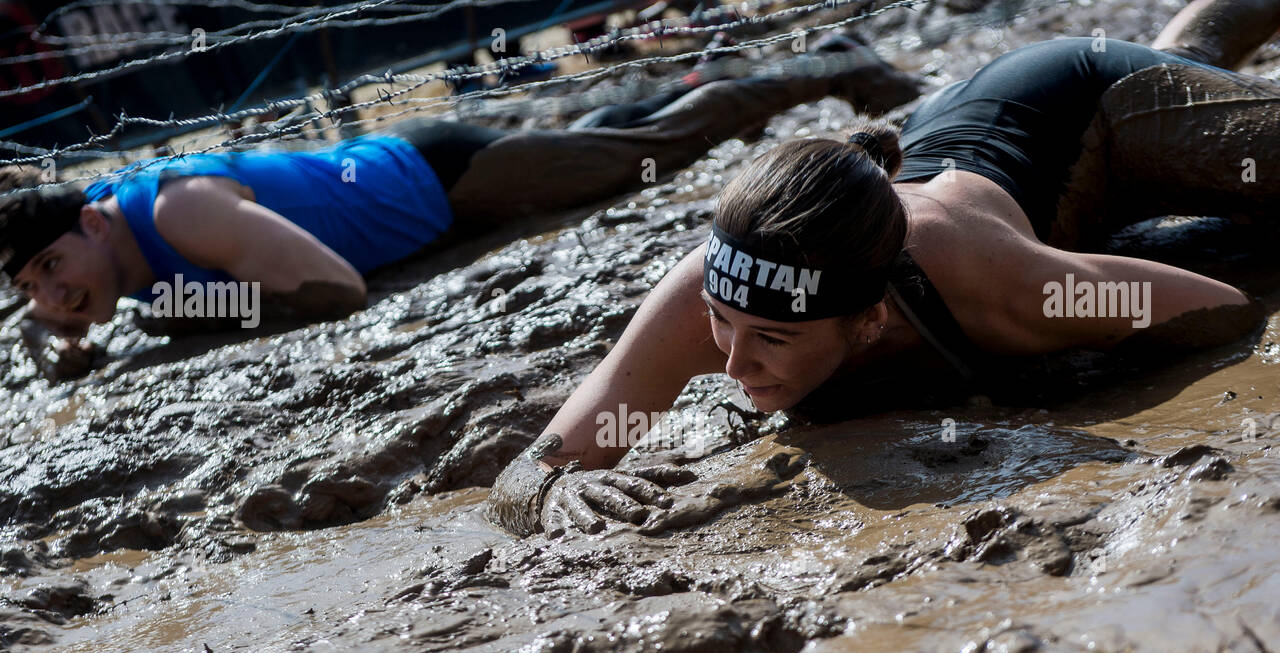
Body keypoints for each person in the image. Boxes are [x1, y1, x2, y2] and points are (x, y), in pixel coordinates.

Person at [486, 0, 1280, 538]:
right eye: (722, 326)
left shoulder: (1002, 288)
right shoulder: (717, 285)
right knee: (1196, 72)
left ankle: (1177, 80)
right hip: (974, 145)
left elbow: (1221, 309)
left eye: (771, 337)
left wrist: (1068, 353)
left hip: (1088, 107)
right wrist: (560, 491)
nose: (731, 364)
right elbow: (532, 470)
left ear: (872, 318)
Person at [0, 41, 920, 380]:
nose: (51, 292)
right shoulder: (123, 253)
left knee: (651, 150)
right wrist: (80, 334)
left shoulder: (183, 212)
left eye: (50, 265)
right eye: (30, 285)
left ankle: (827, 65)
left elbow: (334, 287)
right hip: (433, 193)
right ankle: (755, 77)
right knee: (622, 133)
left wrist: (174, 314)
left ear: (91, 221)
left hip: (444, 180)